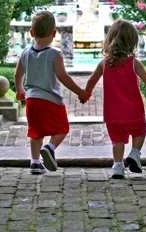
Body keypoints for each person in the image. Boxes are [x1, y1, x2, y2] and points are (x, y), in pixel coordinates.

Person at [15, 10, 90, 174]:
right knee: (62, 128)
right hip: (51, 100)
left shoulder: (25, 53)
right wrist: (80, 92)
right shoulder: (55, 54)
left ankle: (35, 163)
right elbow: (63, 77)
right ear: (54, 33)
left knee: (35, 132)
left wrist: (20, 90)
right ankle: (50, 147)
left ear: (31, 33)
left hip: (32, 100)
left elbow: (17, 74)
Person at [84, 19, 146, 179]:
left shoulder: (104, 63)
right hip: (133, 110)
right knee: (140, 130)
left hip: (112, 113)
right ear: (132, 41)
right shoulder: (133, 63)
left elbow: (91, 80)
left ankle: (117, 167)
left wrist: (86, 93)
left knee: (117, 139)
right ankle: (134, 153)